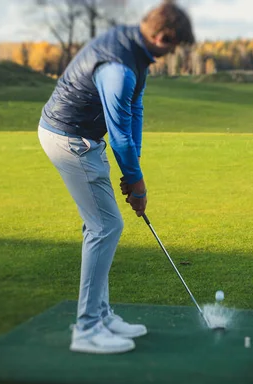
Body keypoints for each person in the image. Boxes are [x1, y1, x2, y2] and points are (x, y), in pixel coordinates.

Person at [38, 1, 195, 354]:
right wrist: (136, 182)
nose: (172, 53)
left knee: (100, 225)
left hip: (81, 137)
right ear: (159, 37)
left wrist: (133, 165)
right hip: (69, 139)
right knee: (105, 227)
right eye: (172, 45)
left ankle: (102, 315)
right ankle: (88, 329)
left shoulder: (135, 53)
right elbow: (118, 130)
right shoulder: (119, 67)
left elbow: (134, 108)